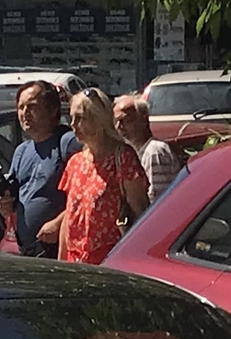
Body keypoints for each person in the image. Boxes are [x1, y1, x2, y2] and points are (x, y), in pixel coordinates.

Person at [44, 88, 151, 263]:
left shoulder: (123, 157)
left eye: (80, 118)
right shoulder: (76, 162)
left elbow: (141, 211)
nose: (73, 124)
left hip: (110, 259)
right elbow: (70, 217)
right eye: (72, 118)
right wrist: (62, 263)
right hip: (75, 260)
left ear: (98, 119)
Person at [0, 79, 78, 256]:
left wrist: (59, 223)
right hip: (25, 252)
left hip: (58, 251)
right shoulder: (21, 151)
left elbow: (86, 195)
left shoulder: (67, 143)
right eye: (21, 107)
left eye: (32, 107)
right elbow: (13, 198)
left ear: (53, 109)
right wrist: (4, 204)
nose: (25, 113)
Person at [115, 94, 179, 198]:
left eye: (126, 120)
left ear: (143, 120)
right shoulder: (137, 152)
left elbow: (158, 199)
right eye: (116, 121)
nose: (119, 127)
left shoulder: (154, 152)